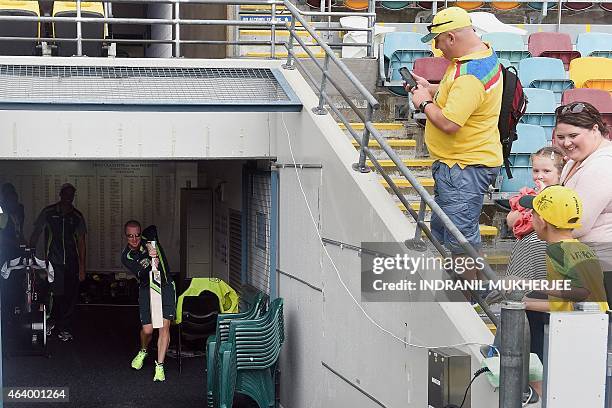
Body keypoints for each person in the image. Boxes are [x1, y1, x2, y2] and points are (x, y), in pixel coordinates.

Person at [408, 7, 503, 280]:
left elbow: (449, 122)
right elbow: (459, 94)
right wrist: (430, 88)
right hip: (461, 164)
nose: (437, 49)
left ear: (450, 37)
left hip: (463, 167)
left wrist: (424, 102)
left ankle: (471, 301)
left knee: (460, 239)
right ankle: (463, 290)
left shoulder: (470, 75)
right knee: (447, 231)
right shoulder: (478, 56)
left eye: (437, 42)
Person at [520, 185, 609, 396]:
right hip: (598, 324)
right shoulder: (584, 248)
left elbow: (578, 292)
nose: (531, 218)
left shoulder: (555, 251)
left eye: (533, 214)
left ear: (542, 221)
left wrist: (527, 293)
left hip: (571, 330)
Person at [553, 102, 612, 304]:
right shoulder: (575, 160)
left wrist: (533, 221)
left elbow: (577, 224)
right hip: (583, 263)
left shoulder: (603, 164)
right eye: (560, 137)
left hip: (602, 268)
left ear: (595, 129)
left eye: (573, 136)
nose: (566, 143)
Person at [29, 183, 87, 342]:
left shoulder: (77, 216)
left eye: (72, 195)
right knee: (54, 294)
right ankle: (49, 322)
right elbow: (37, 232)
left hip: (71, 262)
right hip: (53, 262)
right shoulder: (48, 212)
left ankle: (65, 328)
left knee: (70, 296)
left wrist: (82, 267)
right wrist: (30, 252)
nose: (69, 197)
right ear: (61, 194)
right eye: (66, 194)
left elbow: (81, 242)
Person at [121, 220, 176, 382]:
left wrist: (152, 247)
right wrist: (152, 263)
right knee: (148, 330)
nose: (134, 239)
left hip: (165, 285)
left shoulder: (149, 238)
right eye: (130, 236)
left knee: (164, 326)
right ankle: (143, 351)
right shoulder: (127, 256)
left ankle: (159, 365)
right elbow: (142, 274)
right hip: (147, 288)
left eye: (137, 235)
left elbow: (152, 228)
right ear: (126, 237)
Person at [0, 183, 25, 267]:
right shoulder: (2, 213)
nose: (15, 203)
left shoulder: (19, 210)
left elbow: (19, 230)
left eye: (15, 200)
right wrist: (15, 243)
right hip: (5, 252)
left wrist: (23, 243)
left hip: (16, 252)